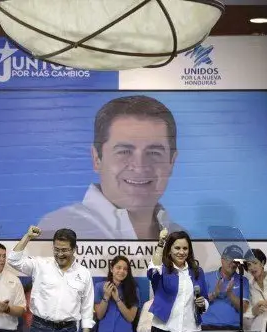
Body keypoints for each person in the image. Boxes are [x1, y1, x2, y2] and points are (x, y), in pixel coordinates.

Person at [37, 95, 184, 240]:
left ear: (172, 162)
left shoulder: (179, 236)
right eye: (124, 151)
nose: (139, 167)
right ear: (97, 159)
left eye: (153, 153)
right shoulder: (57, 230)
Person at [7, 225, 94, 332]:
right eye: (56, 249)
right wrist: (27, 237)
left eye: (65, 250)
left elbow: (87, 307)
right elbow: (14, 260)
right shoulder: (41, 265)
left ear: (74, 249)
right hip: (40, 329)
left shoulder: (84, 274)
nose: (60, 254)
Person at [147, 229, 208, 332]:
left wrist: (203, 303)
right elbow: (153, 266)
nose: (181, 252)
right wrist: (161, 242)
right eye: (177, 248)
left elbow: (205, 298)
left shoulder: (196, 271)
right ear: (169, 249)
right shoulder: (162, 270)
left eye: (185, 248)